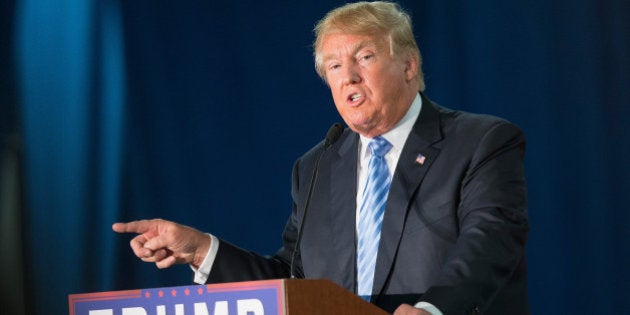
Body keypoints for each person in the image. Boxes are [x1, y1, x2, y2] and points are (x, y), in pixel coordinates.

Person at [113, 2, 529, 314]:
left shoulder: (481, 141)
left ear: (408, 65)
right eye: (334, 65)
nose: (348, 76)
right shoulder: (318, 166)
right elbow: (293, 280)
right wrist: (201, 249)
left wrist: (431, 309)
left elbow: (489, 240)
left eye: (364, 57)